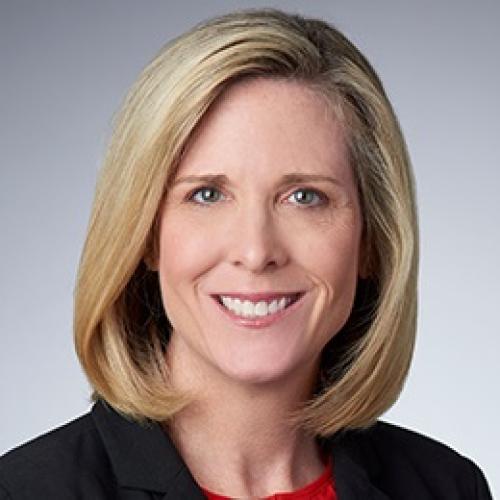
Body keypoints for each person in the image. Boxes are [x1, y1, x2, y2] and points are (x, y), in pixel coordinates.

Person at [0, 8, 493, 500]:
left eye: (305, 197)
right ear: (146, 235)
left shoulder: (448, 487)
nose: (256, 252)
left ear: (372, 241)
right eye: (207, 194)